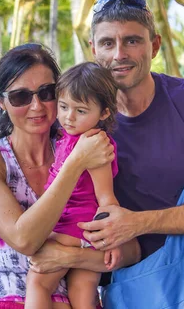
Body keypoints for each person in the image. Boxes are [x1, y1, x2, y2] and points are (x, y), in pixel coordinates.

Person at [0, 0, 184, 309]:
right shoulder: (76, 128)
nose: (119, 54)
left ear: (154, 45)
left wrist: (134, 223)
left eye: (133, 41)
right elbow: (24, 131)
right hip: (128, 296)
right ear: (93, 49)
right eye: (108, 43)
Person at [0, 43, 140, 309]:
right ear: (1, 101)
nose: (36, 105)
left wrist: (69, 257)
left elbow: (131, 251)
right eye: (20, 97)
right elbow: (25, 239)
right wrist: (76, 162)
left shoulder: (84, 145)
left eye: (46, 93)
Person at [26, 62, 123, 309]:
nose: (69, 117)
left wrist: (113, 241)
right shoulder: (69, 135)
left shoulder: (94, 145)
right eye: (63, 106)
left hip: (70, 229)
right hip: (83, 234)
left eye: (80, 111)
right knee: (83, 295)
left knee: (38, 283)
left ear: (104, 113)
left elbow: (107, 199)